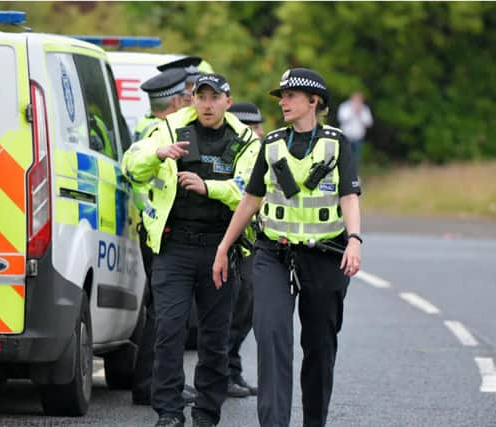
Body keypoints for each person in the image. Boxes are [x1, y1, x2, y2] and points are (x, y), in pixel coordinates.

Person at [212, 68, 362, 427]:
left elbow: (349, 196)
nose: (283, 101)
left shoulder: (336, 143)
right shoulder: (272, 143)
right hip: (273, 254)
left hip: (326, 255)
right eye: (282, 95)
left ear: (315, 102)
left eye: (291, 95)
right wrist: (223, 248)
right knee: (272, 338)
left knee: (319, 347)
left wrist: (354, 240)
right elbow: (250, 200)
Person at [122, 73, 260, 427]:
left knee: (215, 338)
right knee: (169, 329)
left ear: (228, 101)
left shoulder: (244, 140)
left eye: (215, 97)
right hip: (174, 246)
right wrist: (157, 153)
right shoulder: (169, 129)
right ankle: (169, 412)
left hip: (220, 248)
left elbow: (248, 190)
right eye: (202, 97)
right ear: (193, 99)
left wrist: (208, 187)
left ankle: (206, 414)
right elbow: (131, 164)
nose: (208, 104)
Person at [129, 67, 198, 406]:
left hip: (155, 228)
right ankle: (150, 383)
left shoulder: (148, 128)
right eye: (186, 96)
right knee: (163, 311)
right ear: (175, 100)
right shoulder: (157, 133)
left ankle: (161, 381)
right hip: (159, 231)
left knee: (162, 309)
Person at [221, 101, 267, 398]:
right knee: (231, 310)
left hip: (252, 243)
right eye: (253, 126)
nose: (259, 132)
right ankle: (221, 373)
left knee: (247, 309)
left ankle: (232, 369)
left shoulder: (260, 155)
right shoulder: (228, 156)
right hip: (230, 242)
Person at [336, 91, 373, 169]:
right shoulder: (345, 107)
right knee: (345, 157)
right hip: (346, 137)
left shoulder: (364, 108)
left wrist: (360, 113)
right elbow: (342, 119)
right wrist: (353, 111)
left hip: (358, 138)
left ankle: (354, 175)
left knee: (356, 158)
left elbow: (369, 123)